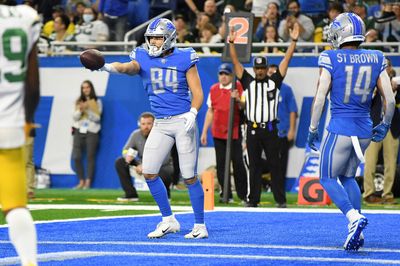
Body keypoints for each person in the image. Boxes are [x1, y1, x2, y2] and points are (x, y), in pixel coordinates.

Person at [100, 18, 207, 239]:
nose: (154, 42)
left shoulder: (185, 57)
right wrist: (109, 67)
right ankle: (169, 220)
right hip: (160, 122)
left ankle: (200, 225)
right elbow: (129, 68)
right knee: (149, 172)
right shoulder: (143, 56)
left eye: (158, 37)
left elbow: (198, 93)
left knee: (188, 177)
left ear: (168, 38)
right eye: (151, 38)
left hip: (182, 120)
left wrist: (193, 112)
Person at [307, 13, 395, 251]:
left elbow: (319, 99)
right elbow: (390, 98)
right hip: (365, 128)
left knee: (326, 177)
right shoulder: (376, 57)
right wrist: (385, 124)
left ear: (341, 32)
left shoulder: (330, 57)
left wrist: (313, 128)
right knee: (347, 177)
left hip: (340, 128)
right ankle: (358, 232)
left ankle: (353, 218)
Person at [228, 21, 299, 208]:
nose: (259, 71)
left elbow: (286, 60)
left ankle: (280, 200)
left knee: (276, 165)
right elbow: (235, 63)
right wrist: (231, 44)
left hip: (270, 129)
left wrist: (293, 42)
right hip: (252, 130)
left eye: (262, 68)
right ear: (254, 69)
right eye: (257, 68)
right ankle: (253, 199)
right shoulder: (248, 82)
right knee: (254, 166)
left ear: (267, 69)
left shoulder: (274, 82)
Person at [0, 2, 41, 265]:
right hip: (9, 123)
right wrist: (26, 120)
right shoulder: (26, 16)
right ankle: (29, 262)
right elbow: (33, 82)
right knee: (15, 206)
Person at [200, 63, 247, 203]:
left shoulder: (238, 87)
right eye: (221, 74)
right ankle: (225, 194)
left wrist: (238, 99)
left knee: (238, 163)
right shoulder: (213, 89)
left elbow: (244, 106)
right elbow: (210, 111)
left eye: (226, 74)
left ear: (231, 76)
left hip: (234, 131)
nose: (224, 77)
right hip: (218, 132)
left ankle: (243, 195)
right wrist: (204, 132)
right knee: (221, 165)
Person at [363, 58, 400, 204]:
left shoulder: (397, 85)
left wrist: (394, 91)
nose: (386, 67)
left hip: (392, 128)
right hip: (374, 127)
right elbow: (365, 102)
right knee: (370, 162)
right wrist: (376, 90)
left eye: (388, 65)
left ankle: (387, 194)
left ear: (391, 69)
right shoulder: (371, 83)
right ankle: (369, 194)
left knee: (391, 163)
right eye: (383, 65)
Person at [115, 112, 173, 201]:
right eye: (143, 124)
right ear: (139, 124)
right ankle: (131, 194)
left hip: (160, 167)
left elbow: (164, 158)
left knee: (166, 169)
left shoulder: (162, 135)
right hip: (142, 166)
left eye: (149, 124)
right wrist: (128, 156)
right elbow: (125, 150)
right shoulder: (135, 134)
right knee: (120, 162)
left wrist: (146, 166)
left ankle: (164, 194)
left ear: (154, 124)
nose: (146, 127)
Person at [267, 64, 298, 181]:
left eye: (274, 73)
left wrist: (292, 130)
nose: (272, 76)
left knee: (281, 160)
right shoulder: (262, 88)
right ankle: (266, 184)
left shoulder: (286, 89)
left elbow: (292, 111)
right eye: (270, 73)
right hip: (266, 131)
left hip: (281, 130)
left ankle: (280, 185)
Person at [72, 80, 102, 189]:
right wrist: (80, 110)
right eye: (83, 88)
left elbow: (98, 119)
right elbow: (74, 117)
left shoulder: (97, 101)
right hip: (79, 130)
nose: (85, 89)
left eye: (87, 87)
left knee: (90, 157)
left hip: (92, 131)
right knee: (76, 156)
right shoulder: (78, 101)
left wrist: (88, 110)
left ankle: (88, 182)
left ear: (91, 88)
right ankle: (81, 181)